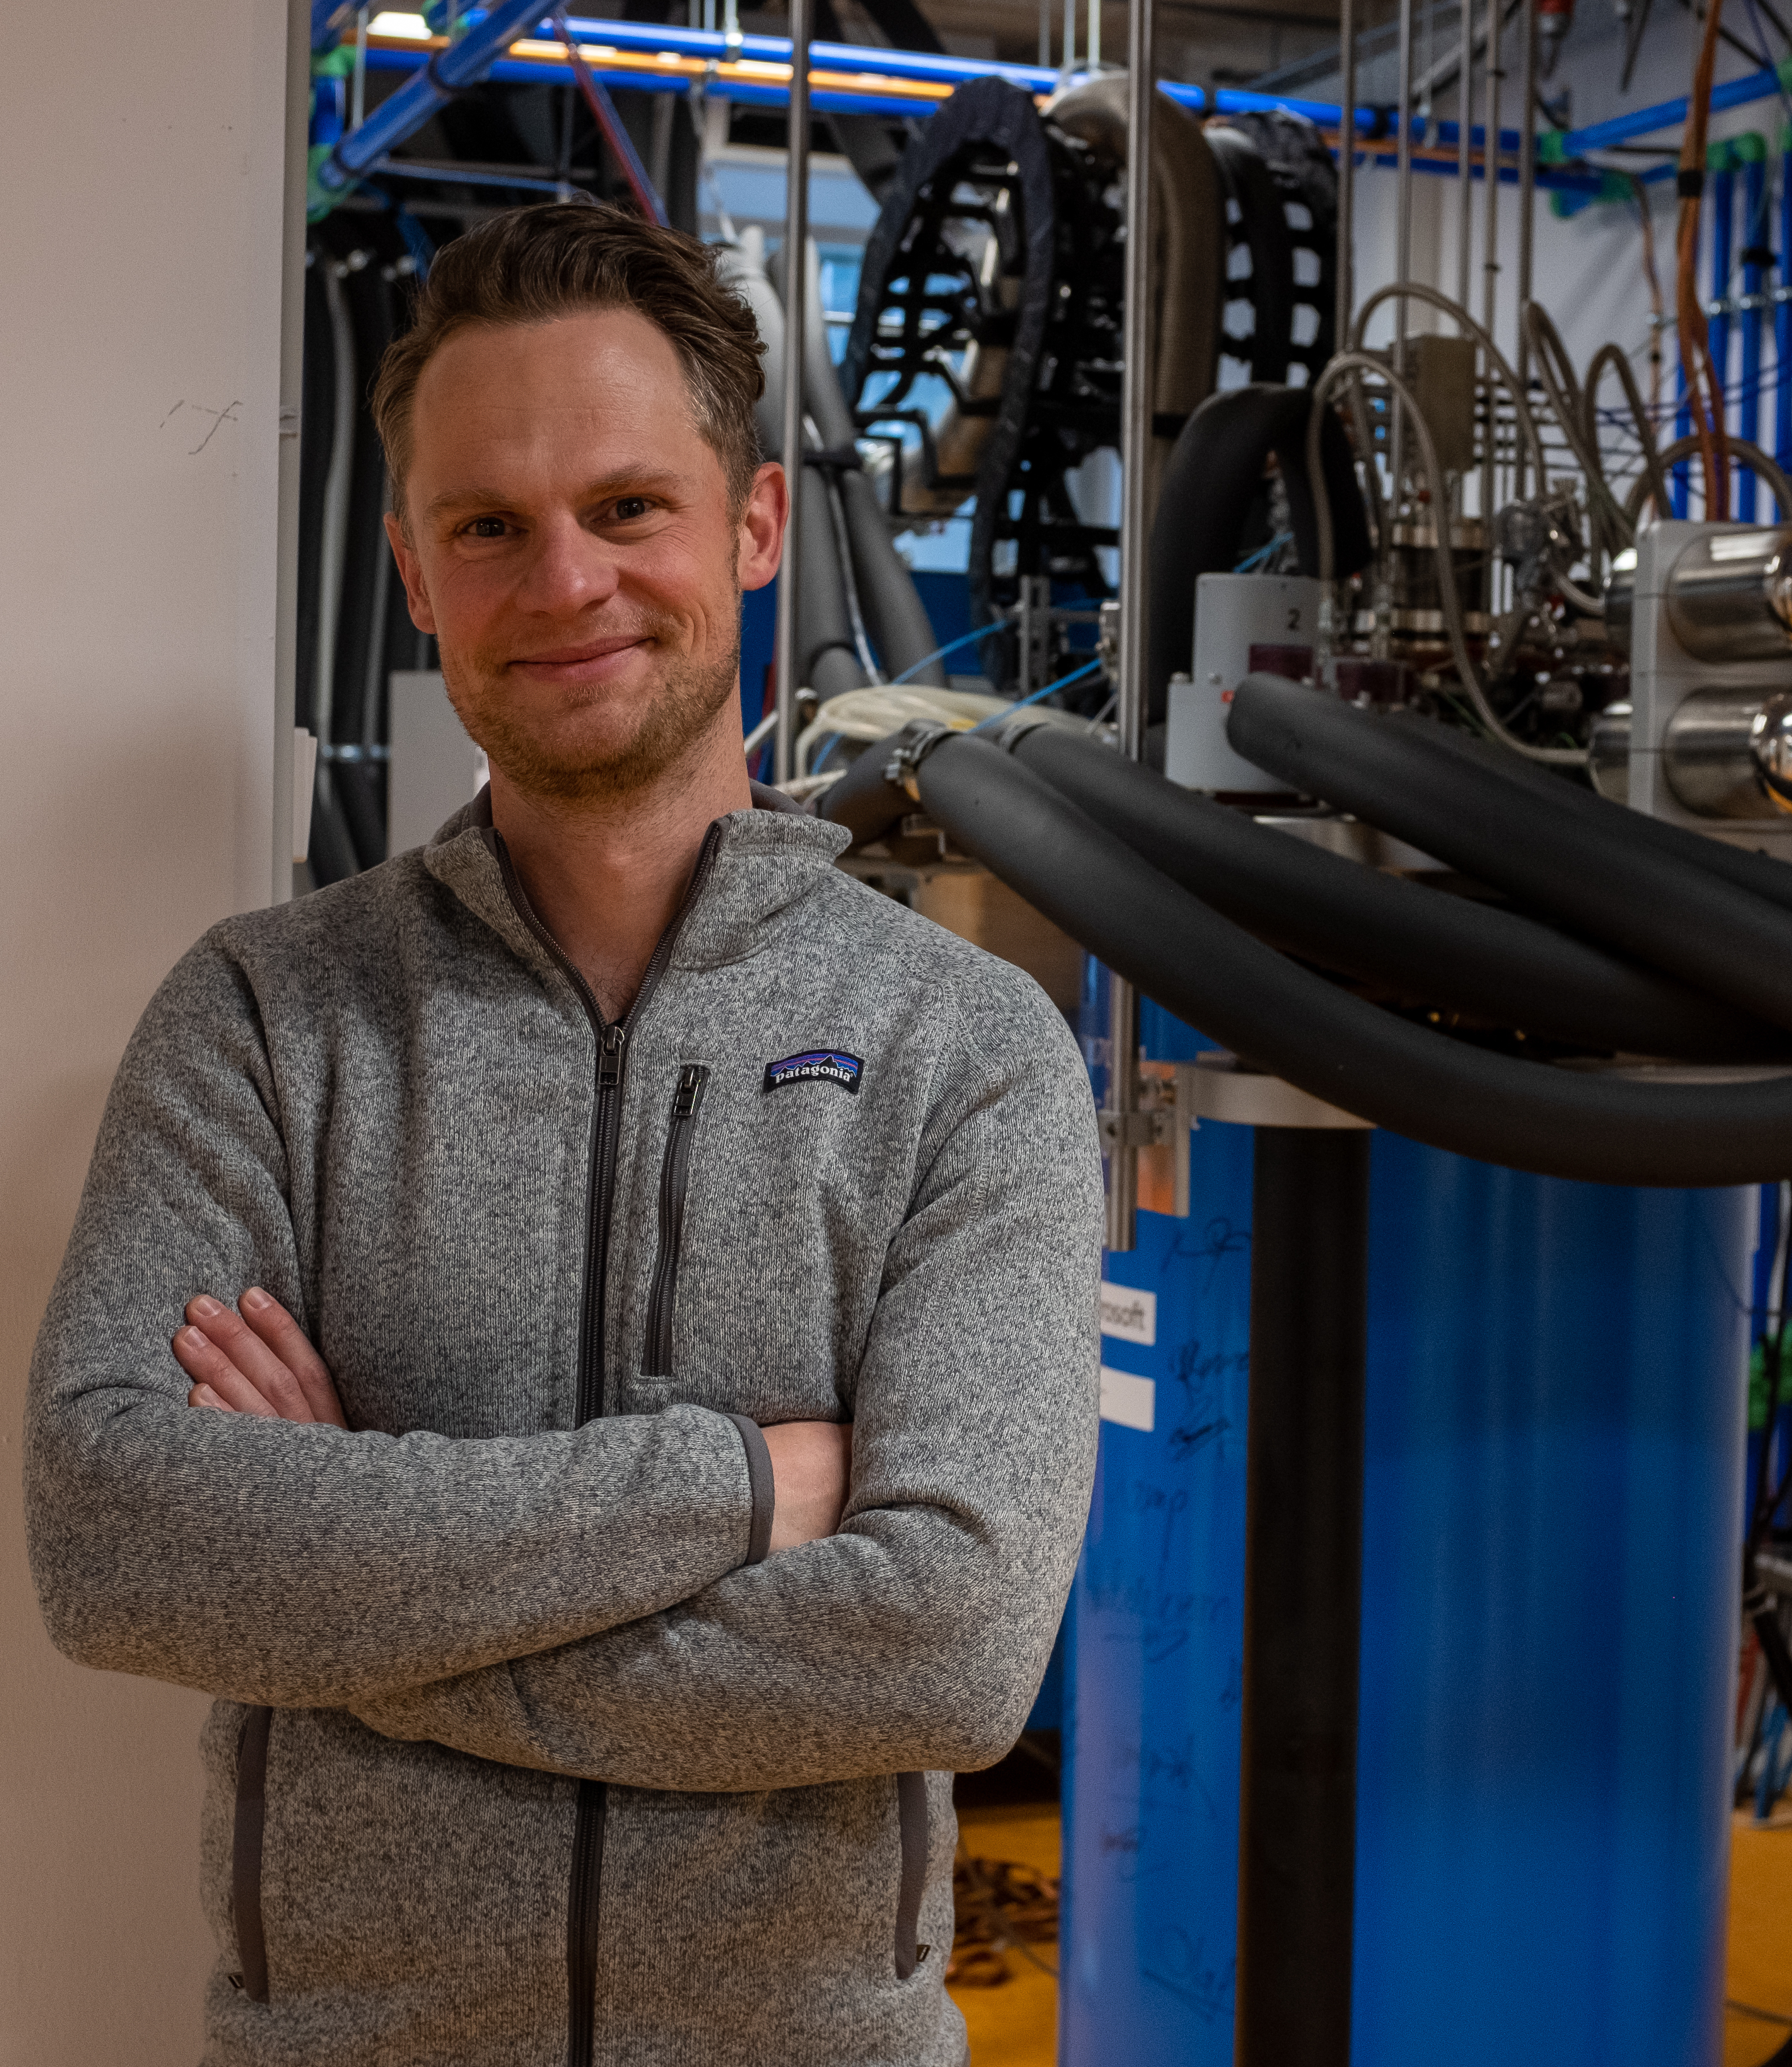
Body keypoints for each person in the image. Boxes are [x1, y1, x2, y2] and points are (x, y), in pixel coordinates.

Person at [22, 204, 1104, 2065]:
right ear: (414, 570)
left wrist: (356, 1605)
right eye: (488, 526)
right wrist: (733, 1494)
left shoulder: (967, 1048)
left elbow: (948, 1646)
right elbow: (116, 1540)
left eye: (628, 507)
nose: (565, 581)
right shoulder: (269, 1021)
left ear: (754, 526)